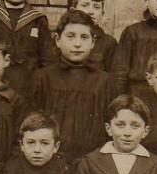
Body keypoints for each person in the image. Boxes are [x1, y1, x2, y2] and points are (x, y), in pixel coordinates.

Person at [30, 9, 116, 164]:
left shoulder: (104, 81)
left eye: (84, 37)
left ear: (93, 43)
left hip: (91, 162)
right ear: (57, 40)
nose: (77, 43)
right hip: (51, 161)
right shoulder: (43, 77)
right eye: (70, 36)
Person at [71, 0, 116, 72]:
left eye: (96, 7)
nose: (91, 12)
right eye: (85, 5)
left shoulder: (108, 43)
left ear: (102, 14)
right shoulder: (64, 38)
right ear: (73, 10)